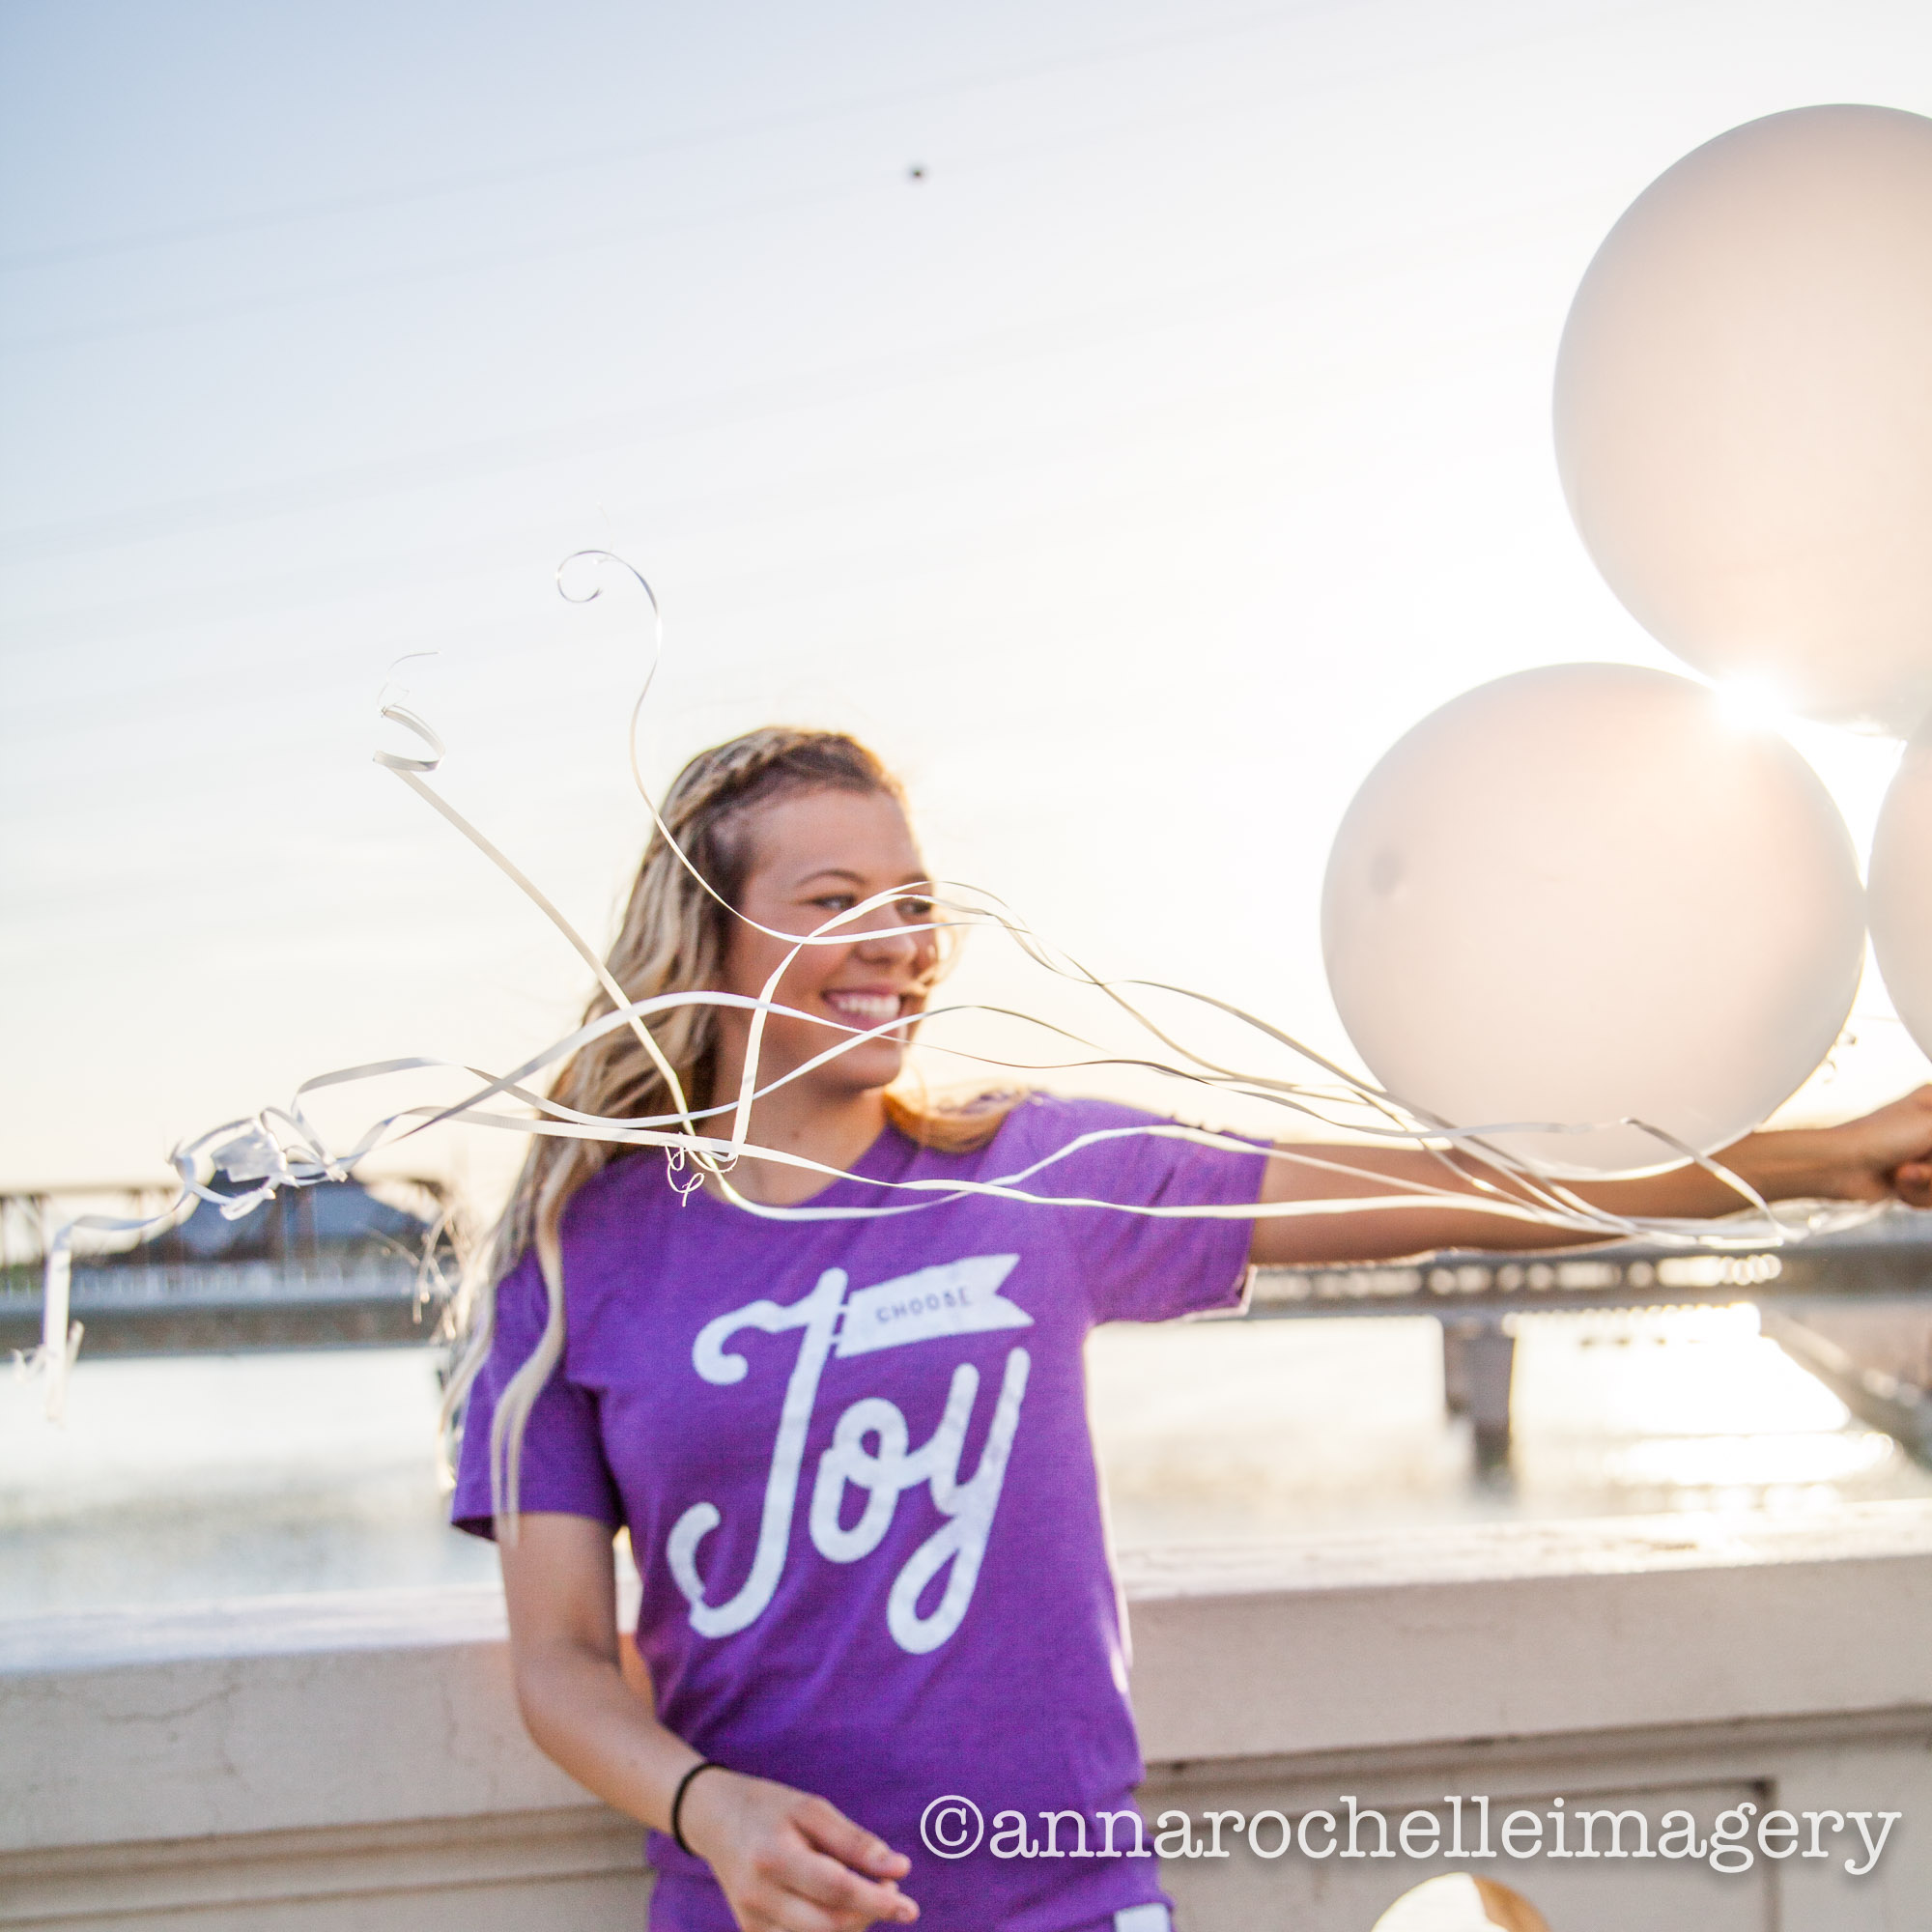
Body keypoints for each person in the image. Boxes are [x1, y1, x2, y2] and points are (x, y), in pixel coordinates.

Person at [449, 726, 1932, 1932]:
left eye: (910, 903)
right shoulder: (574, 1257)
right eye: (830, 901)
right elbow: (563, 1661)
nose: (889, 940)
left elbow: (1441, 1184)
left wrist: (1817, 1156)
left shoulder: (1031, 1172)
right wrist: (712, 1807)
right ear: (707, 938)